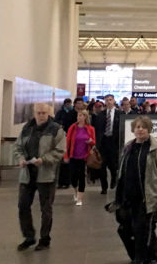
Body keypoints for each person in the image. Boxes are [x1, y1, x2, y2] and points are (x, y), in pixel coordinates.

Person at [114, 116, 157, 264]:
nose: (140, 129)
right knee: (124, 229)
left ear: (149, 129)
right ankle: (146, 254)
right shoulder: (128, 147)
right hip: (127, 197)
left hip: (147, 198)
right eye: (137, 127)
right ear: (133, 129)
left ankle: (140, 263)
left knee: (141, 230)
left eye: (143, 127)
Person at [14, 105, 65, 251]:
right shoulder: (26, 128)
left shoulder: (56, 129)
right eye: (38, 113)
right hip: (27, 174)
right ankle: (28, 236)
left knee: (46, 208)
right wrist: (21, 158)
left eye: (44, 113)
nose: (41, 115)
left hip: (46, 174)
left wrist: (44, 159)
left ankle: (45, 238)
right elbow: (18, 147)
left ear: (48, 114)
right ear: (34, 113)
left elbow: (60, 150)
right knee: (23, 205)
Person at [64, 107, 96, 206]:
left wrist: (90, 141)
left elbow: (94, 142)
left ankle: (80, 198)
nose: (79, 117)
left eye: (81, 115)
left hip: (84, 156)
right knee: (73, 177)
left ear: (85, 117)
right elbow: (67, 142)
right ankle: (75, 190)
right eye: (78, 115)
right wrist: (66, 155)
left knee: (81, 176)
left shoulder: (90, 129)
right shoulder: (72, 128)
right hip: (73, 155)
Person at [93, 94, 122, 194]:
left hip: (113, 142)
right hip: (103, 142)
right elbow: (97, 130)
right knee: (102, 166)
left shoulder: (120, 114)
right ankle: (104, 187)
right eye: (107, 100)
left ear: (113, 101)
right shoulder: (101, 114)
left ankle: (114, 177)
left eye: (110, 100)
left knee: (113, 165)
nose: (109, 102)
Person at [55, 98, 76, 189]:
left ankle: (67, 181)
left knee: (68, 161)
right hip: (62, 137)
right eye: (67, 104)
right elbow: (56, 122)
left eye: (69, 104)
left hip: (71, 138)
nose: (69, 105)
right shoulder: (60, 113)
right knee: (62, 162)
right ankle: (61, 181)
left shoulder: (73, 113)